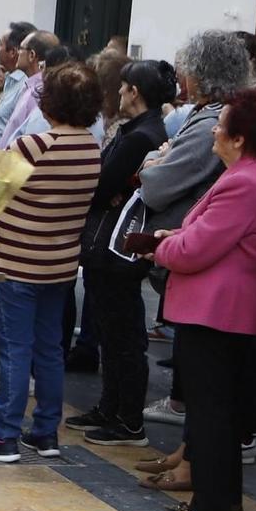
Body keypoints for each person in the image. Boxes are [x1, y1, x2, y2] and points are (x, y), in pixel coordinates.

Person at [147, 88, 256, 511]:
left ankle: (209, 506)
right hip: (231, 309)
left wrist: (162, 245)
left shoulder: (245, 181)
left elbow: (195, 249)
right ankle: (224, 499)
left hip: (217, 311)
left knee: (211, 411)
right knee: (221, 409)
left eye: (223, 123)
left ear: (239, 137)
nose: (215, 128)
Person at [0, 63, 102, 461]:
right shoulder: (91, 147)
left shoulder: (34, 145)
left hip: (16, 261)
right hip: (58, 263)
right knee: (50, 349)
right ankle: (45, 432)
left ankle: (4, 434)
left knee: (15, 349)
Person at [137, 30, 251, 427]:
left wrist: (155, 159)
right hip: (186, 248)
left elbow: (155, 183)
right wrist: (159, 157)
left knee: (204, 365)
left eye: (187, 69)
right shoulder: (206, 116)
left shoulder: (209, 125)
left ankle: (192, 438)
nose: (182, 77)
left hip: (195, 256)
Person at [71, 59, 174, 446]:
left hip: (116, 247)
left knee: (122, 335)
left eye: (124, 87)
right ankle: (110, 406)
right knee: (111, 330)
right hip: (107, 243)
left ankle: (128, 419)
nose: (118, 92)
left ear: (135, 92)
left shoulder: (141, 137)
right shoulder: (138, 132)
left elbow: (102, 183)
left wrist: (108, 187)